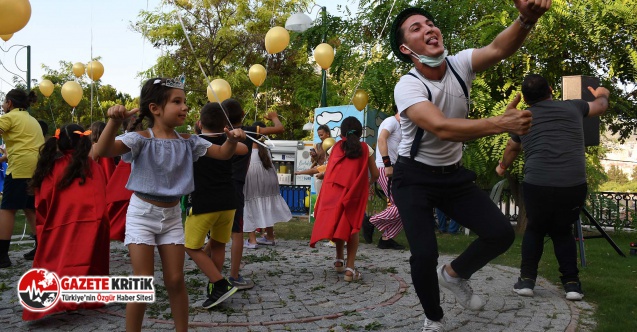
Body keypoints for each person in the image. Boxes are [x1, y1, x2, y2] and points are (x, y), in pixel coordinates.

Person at [388, 2, 550, 330]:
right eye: (416, 28)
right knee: (423, 254)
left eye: (429, 23)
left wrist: (527, 18)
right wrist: (500, 123)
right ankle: (433, 318)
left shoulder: (460, 64)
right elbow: (443, 127)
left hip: (453, 176)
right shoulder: (408, 85)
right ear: (406, 49)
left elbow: (498, 48)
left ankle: (454, 275)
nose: (429, 29)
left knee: (501, 233)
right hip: (414, 176)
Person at [93, 76, 245, 332]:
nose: (185, 106)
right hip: (142, 214)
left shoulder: (188, 140)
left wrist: (230, 141)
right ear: (155, 109)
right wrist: (113, 122)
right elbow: (102, 150)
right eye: (177, 101)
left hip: (172, 217)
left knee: (175, 280)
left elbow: (222, 154)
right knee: (143, 281)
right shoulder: (140, 139)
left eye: (184, 101)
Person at [496, 74, 610, 301]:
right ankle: (572, 285)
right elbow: (600, 106)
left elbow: (512, 148)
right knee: (563, 232)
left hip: (537, 184)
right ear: (551, 90)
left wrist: (502, 167)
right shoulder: (574, 107)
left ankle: (527, 281)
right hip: (573, 184)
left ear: (525, 100)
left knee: (535, 229)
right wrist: (602, 92)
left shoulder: (524, 117)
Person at [23, 124, 110, 321]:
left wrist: (45, 225)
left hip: (57, 226)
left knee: (56, 262)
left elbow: (41, 202)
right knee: (86, 261)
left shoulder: (50, 168)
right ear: (84, 142)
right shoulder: (93, 168)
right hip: (90, 227)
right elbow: (100, 199)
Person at [184, 102, 248, 308]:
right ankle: (215, 287)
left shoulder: (194, 142)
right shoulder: (226, 141)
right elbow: (244, 148)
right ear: (224, 126)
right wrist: (233, 137)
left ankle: (219, 284)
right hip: (229, 202)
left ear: (200, 122)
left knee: (191, 246)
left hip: (204, 202)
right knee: (219, 244)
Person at [310, 117, 379, 281]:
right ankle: (350, 269)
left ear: (342, 132)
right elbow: (375, 174)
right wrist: (367, 184)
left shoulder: (335, 147)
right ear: (360, 132)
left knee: (338, 225)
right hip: (353, 195)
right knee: (352, 228)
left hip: (335, 194)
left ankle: (339, 261)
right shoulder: (365, 148)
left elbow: (332, 171)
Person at [224, 98, 284, 289]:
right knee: (236, 232)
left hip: (220, 184)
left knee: (220, 228)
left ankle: (209, 258)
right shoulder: (248, 132)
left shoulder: (220, 130)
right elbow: (278, 129)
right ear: (242, 114)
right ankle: (233, 276)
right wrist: (274, 117)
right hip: (235, 186)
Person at [0, 89, 45, 268]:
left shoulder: (10, 117)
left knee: (7, 209)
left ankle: (2, 255)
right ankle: (41, 247)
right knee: (29, 207)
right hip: (37, 168)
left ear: (10, 103)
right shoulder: (31, 119)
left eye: (4, 102)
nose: (3, 105)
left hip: (20, 168)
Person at [243, 121, 292, 247]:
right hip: (269, 180)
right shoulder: (265, 149)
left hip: (252, 180)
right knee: (266, 205)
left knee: (249, 205)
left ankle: (252, 240)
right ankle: (270, 236)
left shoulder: (247, 148)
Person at [366, 106, 406, 250]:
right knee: (403, 205)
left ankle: (386, 238)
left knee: (405, 207)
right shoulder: (391, 121)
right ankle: (371, 221)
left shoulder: (402, 126)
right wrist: (388, 164)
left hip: (396, 169)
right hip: (385, 167)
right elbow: (381, 139)